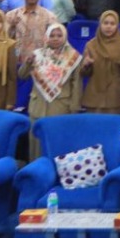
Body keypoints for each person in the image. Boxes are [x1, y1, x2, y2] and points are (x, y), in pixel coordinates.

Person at [21, 24, 84, 154]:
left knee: (57, 143)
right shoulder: (37, 55)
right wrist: (27, 63)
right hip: (38, 106)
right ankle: (34, 172)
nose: (55, 38)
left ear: (65, 37)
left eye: (59, 35)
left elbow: (76, 84)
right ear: (46, 37)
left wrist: (74, 107)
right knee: (36, 144)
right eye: (52, 35)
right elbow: (22, 75)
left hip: (61, 107)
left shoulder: (73, 57)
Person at [80, 10, 120, 114]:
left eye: (112, 24)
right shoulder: (91, 45)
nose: (108, 27)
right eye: (105, 23)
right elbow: (84, 74)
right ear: (100, 25)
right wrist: (86, 65)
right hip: (94, 95)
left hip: (115, 95)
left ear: (117, 26)